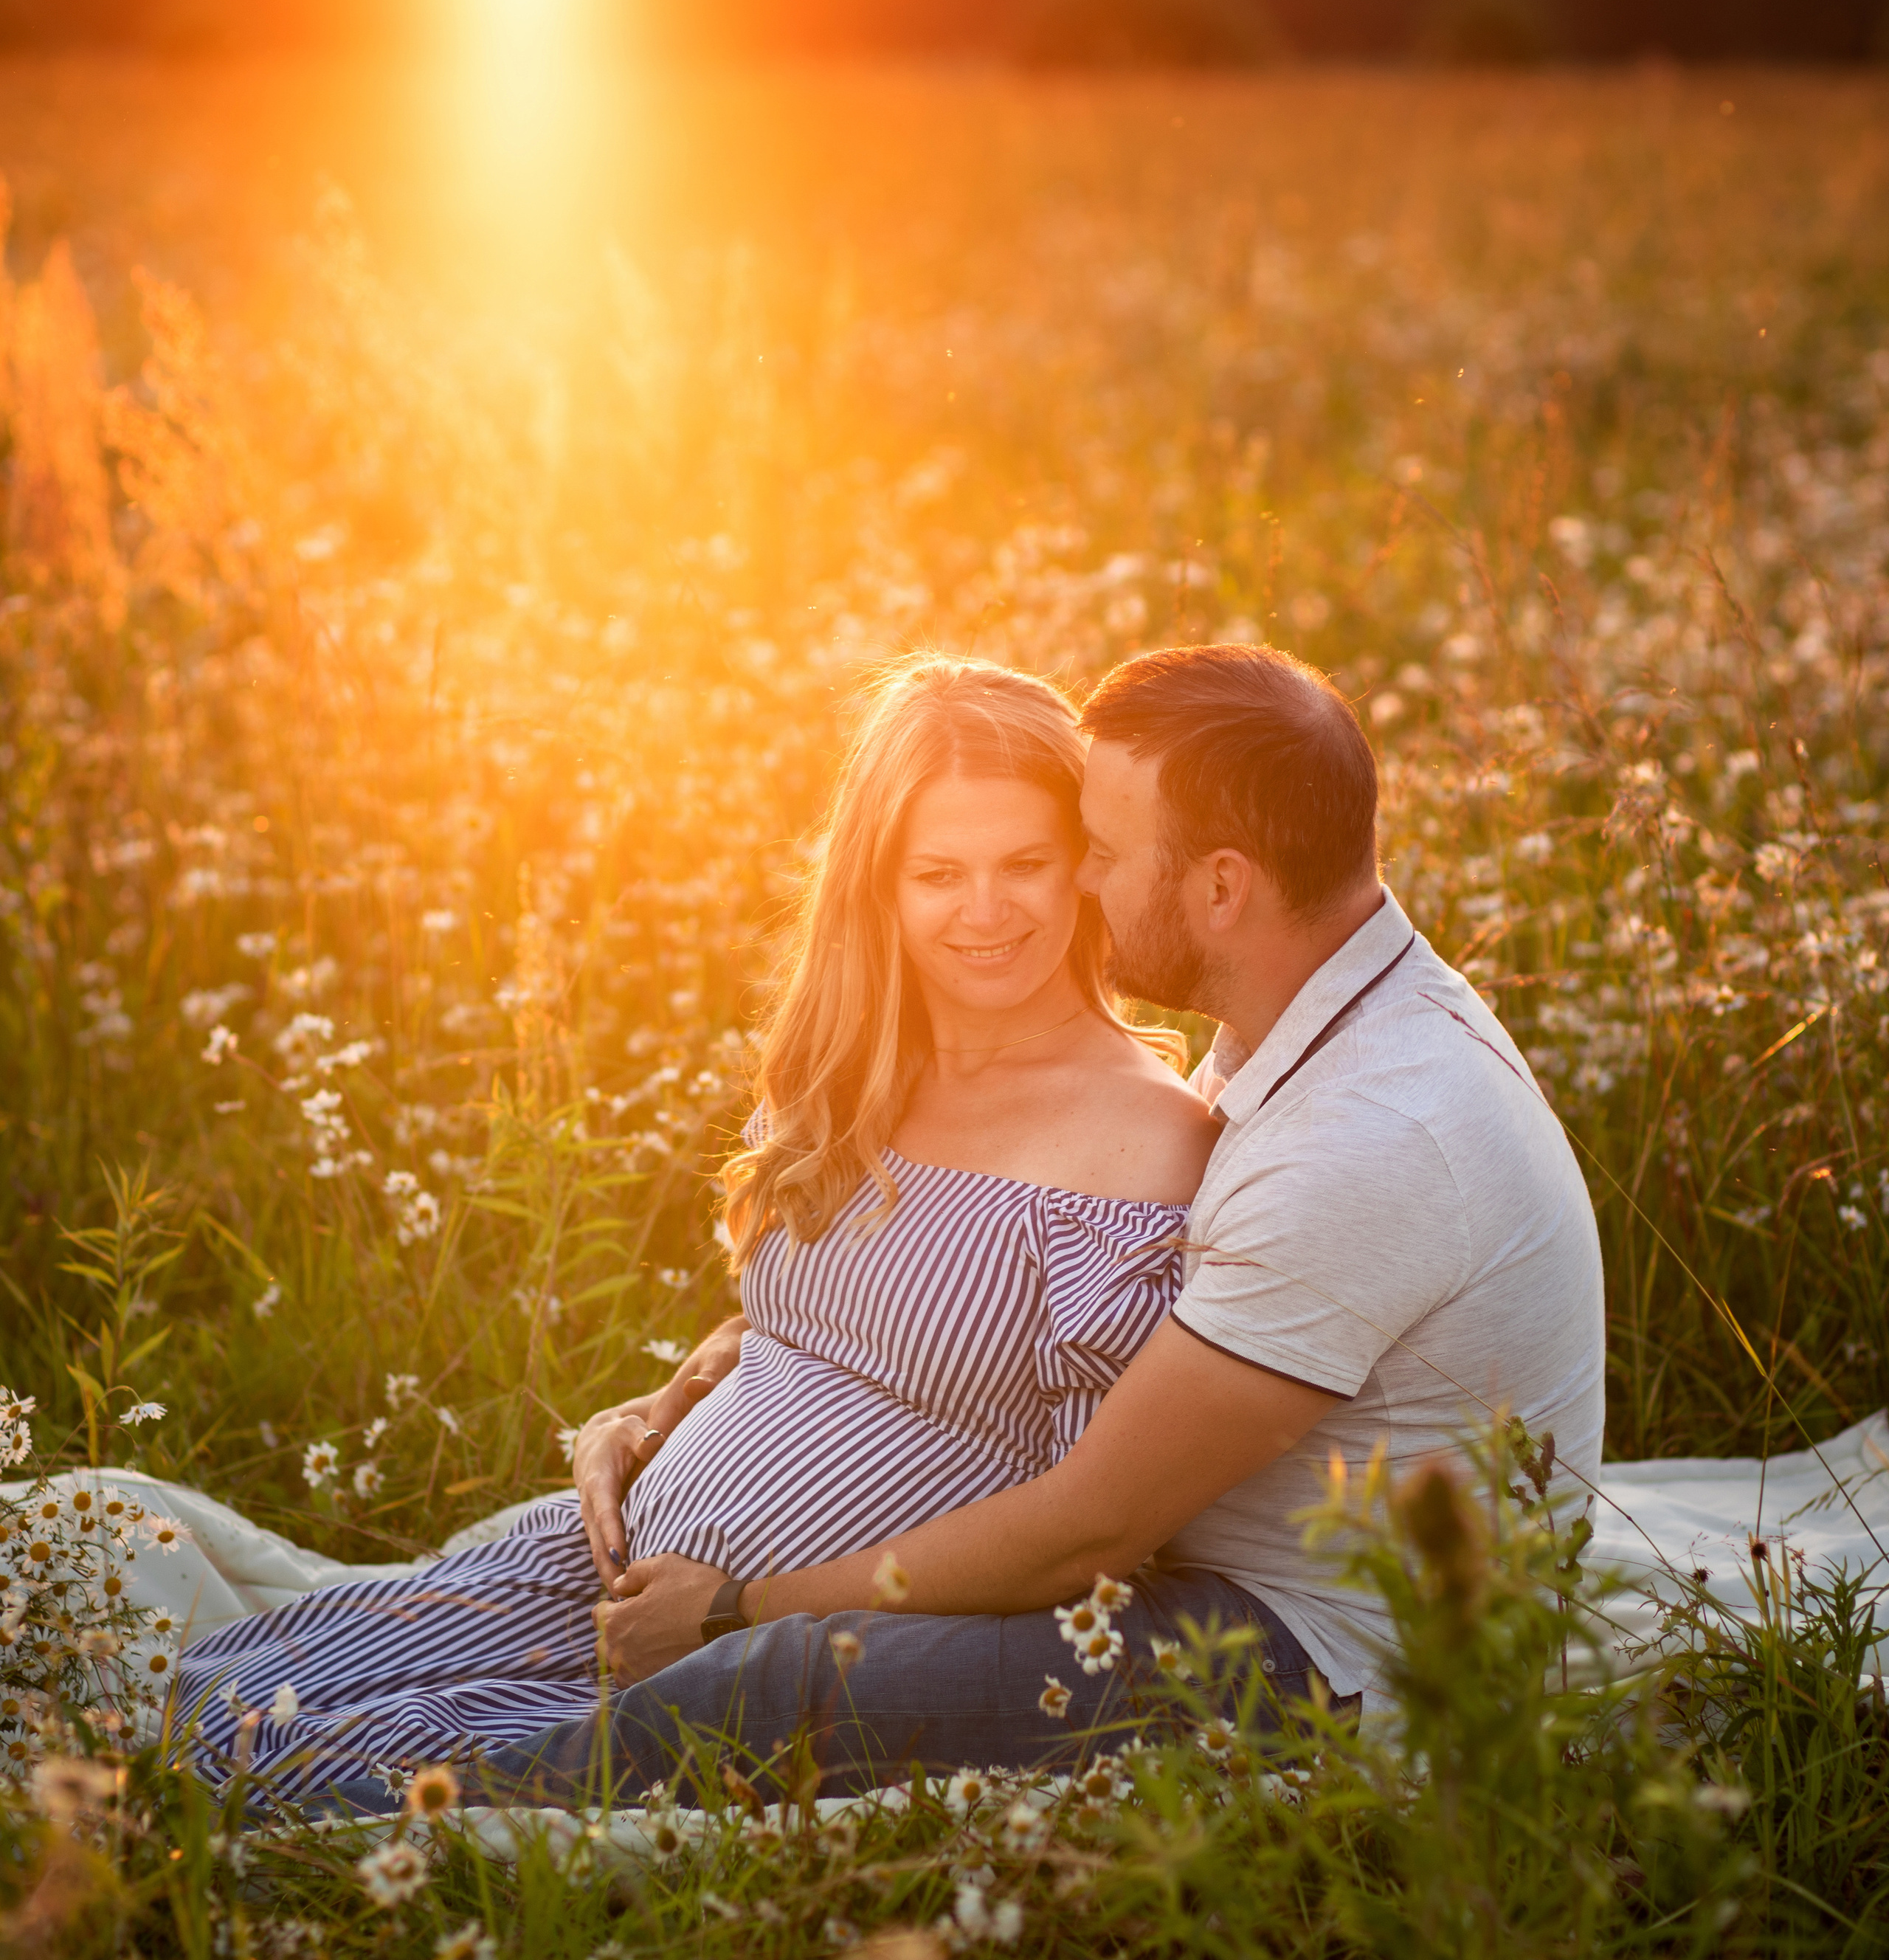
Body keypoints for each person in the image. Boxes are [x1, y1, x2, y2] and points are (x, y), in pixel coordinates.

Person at [464, 641, 1604, 1801]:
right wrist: (700, 1384)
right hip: (1222, 1579)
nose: (1080, 886)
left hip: (1316, 1652)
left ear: (1222, 888)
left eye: (1096, 853)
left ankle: (393, 1822)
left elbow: (1088, 1527)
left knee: (779, 1685)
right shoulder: (1313, 1018)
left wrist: (732, 1608)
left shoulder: (1370, 1135)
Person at [176, 656, 1220, 1795]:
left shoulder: (1142, 1140)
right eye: (937, 873)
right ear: (878, 884)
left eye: (1025, 863)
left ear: (1086, 865)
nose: (984, 911)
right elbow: (817, 1331)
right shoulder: (854, 1072)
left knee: (272, 1785)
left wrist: (731, 1611)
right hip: (606, 1573)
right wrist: (656, 1410)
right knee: (187, 1708)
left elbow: (1082, 1527)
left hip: (749, 1665)